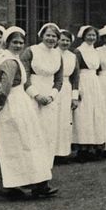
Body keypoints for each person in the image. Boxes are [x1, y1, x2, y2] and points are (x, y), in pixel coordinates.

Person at [0, 26, 57, 199]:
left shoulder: (13, 60)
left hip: (19, 105)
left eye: (20, 42)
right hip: (12, 106)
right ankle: (13, 185)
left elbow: (5, 89)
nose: (18, 45)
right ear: (6, 43)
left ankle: (37, 184)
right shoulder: (9, 62)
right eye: (14, 42)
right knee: (15, 145)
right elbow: (5, 89)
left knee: (26, 143)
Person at [20, 23, 63, 163]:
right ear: (42, 36)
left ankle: (45, 166)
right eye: (48, 35)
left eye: (54, 36)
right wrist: (36, 95)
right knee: (32, 130)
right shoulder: (31, 51)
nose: (51, 39)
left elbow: (59, 80)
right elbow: (23, 77)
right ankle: (31, 166)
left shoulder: (58, 54)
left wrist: (51, 96)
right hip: (31, 93)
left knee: (48, 130)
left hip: (50, 96)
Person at [72, 25, 106, 160]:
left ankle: (94, 146)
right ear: (83, 36)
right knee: (83, 115)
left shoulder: (96, 51)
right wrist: (76, 89)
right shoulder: (78, 51)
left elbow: (97, 70)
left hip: (95, 83)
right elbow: (76, 72)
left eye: (94, 35)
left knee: (95, 113)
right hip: (83, 82)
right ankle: (82, 149)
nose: (91, 38)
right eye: (89, 35)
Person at [54, 29, 79, 158]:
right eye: (62, 39)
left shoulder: (72, 56)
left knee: (65, 120)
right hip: (53, 88)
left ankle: (63, 152)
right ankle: (52, 152)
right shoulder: (52, 54)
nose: (64, 42)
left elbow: (75, 77)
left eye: (67, 40)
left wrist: (75, 97)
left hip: (67, 88)